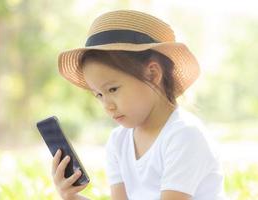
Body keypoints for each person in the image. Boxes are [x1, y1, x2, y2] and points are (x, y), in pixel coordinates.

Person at [52, 10, 225, 200]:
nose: (107, 105)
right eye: (99, 95)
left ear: (152, 74)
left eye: (113, 90)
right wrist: (71, 197)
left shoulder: (184, 135)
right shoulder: (118, 141)